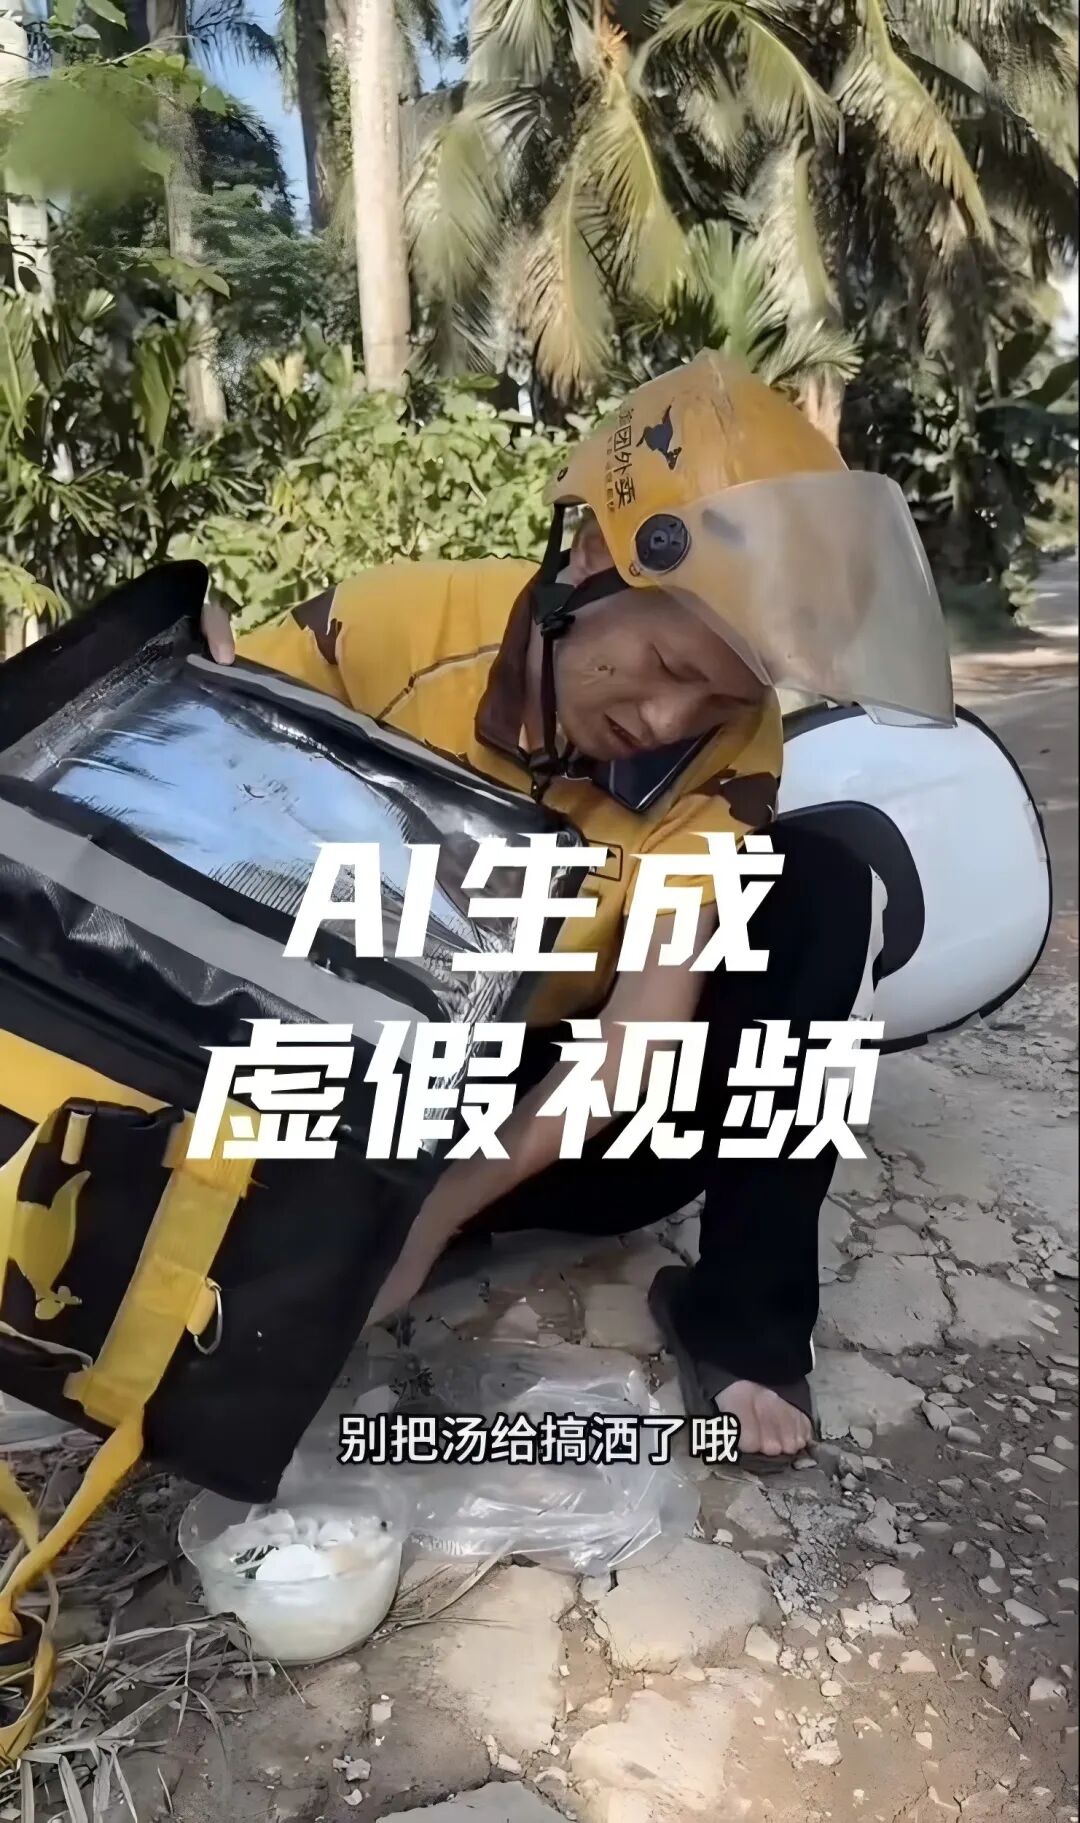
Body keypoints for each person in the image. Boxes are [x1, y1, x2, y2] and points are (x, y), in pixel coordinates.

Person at [201, 351, 953, 1470]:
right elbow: (203, 770)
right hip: (365, 1083)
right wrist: (197, 668)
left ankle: (740, 1323)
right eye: (662, 660)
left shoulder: (731, 748)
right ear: (593, 556)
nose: (667, 717)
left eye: (717, 696)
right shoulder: (398, 628)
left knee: (821, 882)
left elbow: (639, 1038)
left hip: (574, 1124)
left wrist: (435, 1213)